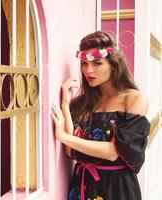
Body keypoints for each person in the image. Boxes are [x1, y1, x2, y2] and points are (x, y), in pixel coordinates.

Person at [51, 31, 150, 200]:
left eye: (97, 63)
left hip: (117, 189)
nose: (88, 70)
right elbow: (71, 151)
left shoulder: (133, 99)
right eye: (84, 63)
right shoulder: (82, 103)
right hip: (83, 184)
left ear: (113, 64)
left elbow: (112, 152)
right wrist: (65, 105)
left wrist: (63, 136)